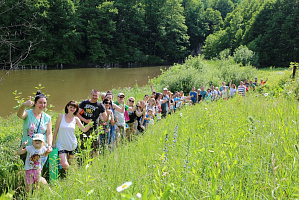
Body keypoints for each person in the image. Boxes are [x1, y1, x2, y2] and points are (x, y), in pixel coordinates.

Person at [53, 101, 92, 170]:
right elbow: (55, 130)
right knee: (64, 164)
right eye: (71, 107)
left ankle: (70, 177)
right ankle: (71, 173)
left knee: (72, 164)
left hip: (72, 144)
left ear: (76, 109)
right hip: (61, 144)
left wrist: (90, 125)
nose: (72, 109)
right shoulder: (61, 116)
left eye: (74, 108)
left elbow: (83, 129)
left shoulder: (76, 119)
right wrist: (53, 143)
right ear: (67, 107)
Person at [17, 92, 53, 167]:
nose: (43, 105)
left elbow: (49, 133)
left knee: (38, 172)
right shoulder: (28, 113)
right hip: (27, 148)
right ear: (35, 103)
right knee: (27, 171)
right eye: (40, 103)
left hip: (41, 149)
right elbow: (19, 115)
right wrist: (23, 105)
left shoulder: (47, 117)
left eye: (44, 103)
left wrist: (49, 145)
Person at [77, 89, 107, 157]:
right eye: (93, 95)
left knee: (96, 147)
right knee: (83, 146)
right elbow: (77, 113)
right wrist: (85, 120)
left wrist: (108, 115)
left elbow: (105, 119)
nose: (94, 97)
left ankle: (96, 162)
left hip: (94, 129)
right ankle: (83, 160)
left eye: (96, 96)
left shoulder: (100, 105)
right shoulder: (84, 103)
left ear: (98, 96)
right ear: (91, 95)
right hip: (83, 127)